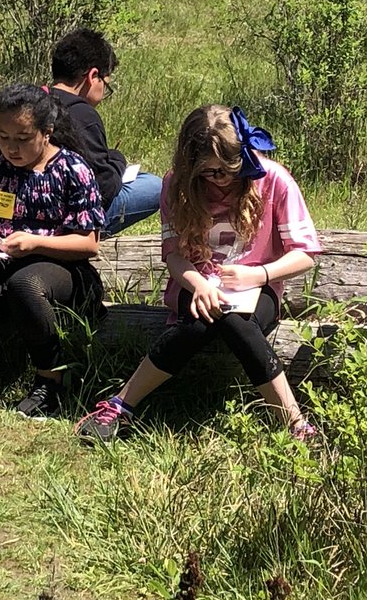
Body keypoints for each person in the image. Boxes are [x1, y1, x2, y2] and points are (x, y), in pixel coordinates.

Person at [75, 104, 320, 442]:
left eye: (228, 169)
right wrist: (199, 284)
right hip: (196, 282)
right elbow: (174, 257)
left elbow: (305, 254)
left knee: (235, 321)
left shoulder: (273, 179)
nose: (222, 180)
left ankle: (295, 422)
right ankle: (120, 406)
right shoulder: (176, 185)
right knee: (198, 323)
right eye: (210, 172)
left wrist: (258, 275)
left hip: (256, 287)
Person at [0, 84, 106, 419]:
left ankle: (51, 379)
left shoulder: (72, 169)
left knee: (26, 285)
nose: (11, 148)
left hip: (59, 265)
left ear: (46, 133)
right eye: (3, 137)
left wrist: (34, 243)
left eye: (22, 138)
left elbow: (88, 243)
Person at [0, 29, 161, 236]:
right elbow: (104, 187)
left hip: (11, 202)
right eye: (105, 85)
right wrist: (118, 160)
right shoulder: (84, 115)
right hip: (63, 214)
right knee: (155, 185)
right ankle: (86, 232)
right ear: (93, 76)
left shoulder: (26, 105)